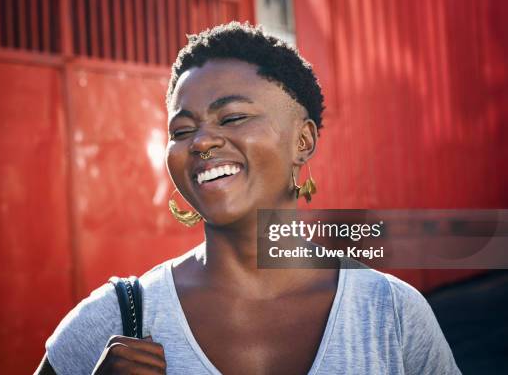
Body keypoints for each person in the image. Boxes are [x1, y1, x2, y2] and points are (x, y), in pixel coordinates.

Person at [35, 22, 460, 374]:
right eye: (182, 130)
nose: (201, 142)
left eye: (233, 117)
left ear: (303, 141)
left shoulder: (392, 314)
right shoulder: (121, 317)